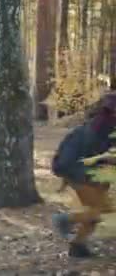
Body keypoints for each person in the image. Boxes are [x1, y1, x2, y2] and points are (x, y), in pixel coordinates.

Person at [51, 93, 116, 258]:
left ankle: (78, 247)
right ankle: (64, 219)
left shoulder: (96, 124)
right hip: (81, 171)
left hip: (84, 171)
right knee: (97, 209)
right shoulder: (102, 127)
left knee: (97, 211)